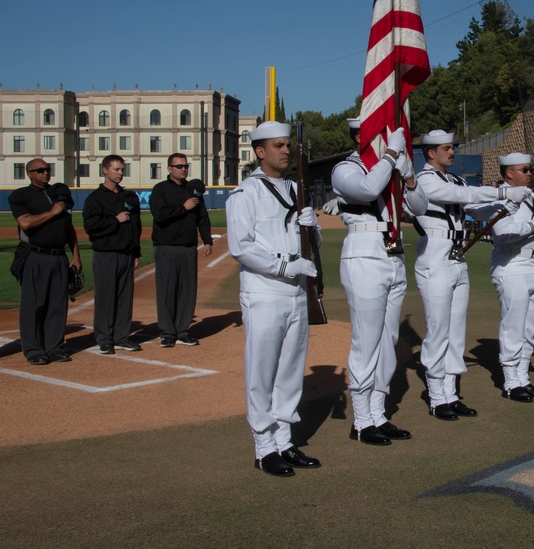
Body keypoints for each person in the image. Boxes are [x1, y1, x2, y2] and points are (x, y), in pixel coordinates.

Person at [413, 130, 531, 421]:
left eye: (452, 148)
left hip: (456, 255)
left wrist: (503, 206)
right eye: (446, 148)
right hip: (435, 255)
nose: (452, 152)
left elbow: (474, 209)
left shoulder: (455, 178)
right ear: (431, 153)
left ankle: (451, 393)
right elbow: (459, 196)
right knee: (438, 329)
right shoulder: (425, 180)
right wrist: (503, 192)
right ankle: (436, 395)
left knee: (455, 332)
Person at [226, 121, 321, 477]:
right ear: (260, 151)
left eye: (287, 145)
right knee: (262, 371)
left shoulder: (297, 189)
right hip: (265, 291)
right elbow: (241, 246)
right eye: (278, 145)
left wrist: (311, 228)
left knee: (291, 370)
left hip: (296, 291)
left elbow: (311, 250)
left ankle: (284, 440)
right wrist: (284, 266)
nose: (285, 151)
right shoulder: (246, 193)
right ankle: (263, 446)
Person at [332, 119, 427, 446]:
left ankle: (378, 413)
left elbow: (419, 208)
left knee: (388, 340)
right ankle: (361, 420)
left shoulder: (390, 166)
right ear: (359, 136)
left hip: (393, 253)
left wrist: (408, 173)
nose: (384, 138)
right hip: (364, 252)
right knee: (366, 338)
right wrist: (389, 157)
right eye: (377, 133)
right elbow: (368, 189)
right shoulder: (346, 168)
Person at [489, 153, 534, 403]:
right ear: (509, 173)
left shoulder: (530, 195)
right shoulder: (501, 197)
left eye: (530, 169)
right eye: (525, 169)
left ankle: (523, 377)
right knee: (513, 326)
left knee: (531, 327)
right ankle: (510, 381)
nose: (530, 173)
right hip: (511, 265)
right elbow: (503, 232)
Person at [8, 160, 82, 365]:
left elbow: (69, 228)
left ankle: (55, 347)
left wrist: (76, 256)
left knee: (57, 304)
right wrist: (52, 212)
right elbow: (24, 222)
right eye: (39, 170)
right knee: (33, 305)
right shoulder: (20, 195)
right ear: (29, 173)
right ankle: (33, 349)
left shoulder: (59, 193)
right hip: (34, 255)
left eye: (47, 170)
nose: (45, 173)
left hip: (59, 256)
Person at [149, 153, 213, 348]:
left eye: (185, 166)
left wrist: (207, 240)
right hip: (167, 246)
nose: (183, 169)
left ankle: (182, 330)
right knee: (167, 290)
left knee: (187, 290)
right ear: (169, 169)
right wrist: (183, 207)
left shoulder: (193, 190)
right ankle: (167, 332)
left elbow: (202, 217)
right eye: (179, 166)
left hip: (187, 247)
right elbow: (160, 215)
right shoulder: (160, 189)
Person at [83, 155, 142, 355]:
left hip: (126, 252)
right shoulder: (95, 199)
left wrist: (135, 251)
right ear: (105, 170)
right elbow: (91, 227)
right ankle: (104, 337)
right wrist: (115, 220)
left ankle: (121, 336)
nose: (120, 173)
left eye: (122, 169)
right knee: (106, 297)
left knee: (125, 297)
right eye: (116, 169)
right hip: (106, 253)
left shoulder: (130, 197)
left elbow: (136, 226)